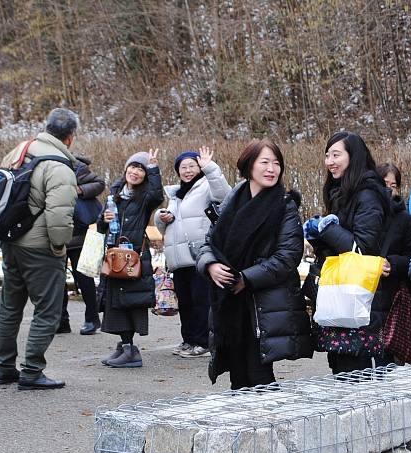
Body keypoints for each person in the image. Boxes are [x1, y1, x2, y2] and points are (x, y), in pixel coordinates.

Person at [197, 139, 313, 389]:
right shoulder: (233, 199)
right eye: (265, 162)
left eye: (276, 163)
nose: (272, 169)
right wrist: (210, 266)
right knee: (238, 377)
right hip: (228, 303)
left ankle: (274, 428)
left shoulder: (284, 205)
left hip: (263, 305)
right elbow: (209, 243)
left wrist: (246, 278)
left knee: (259, 377)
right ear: (249, 166)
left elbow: (288, 257)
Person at [0, 108, 79, 390]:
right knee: (48, 309)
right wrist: (59, 246)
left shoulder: (20, 150)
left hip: (11, 239)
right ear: (70, 137)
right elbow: (59, 216)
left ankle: (5, 367)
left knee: (10, 306)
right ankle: (32, 370)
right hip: (40, 246)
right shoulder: (60, 167)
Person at [303, 131, 390, 373]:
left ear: (354, 157)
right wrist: (318, 236)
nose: (330, 161)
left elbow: (361, 249)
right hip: (341, 295)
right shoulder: (341, 191)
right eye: (327, 155)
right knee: (341, 370)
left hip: (358, 298)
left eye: (336, 155)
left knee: (356, 375)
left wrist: (327, 228)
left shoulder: (368, 193)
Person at [155, 147, 230, 358]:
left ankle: (205, 341)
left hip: (201, 255)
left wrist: (210, 168)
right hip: (179, 259)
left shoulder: (206, 186)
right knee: (186, 302)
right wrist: (161, 219)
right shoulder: (175, 194)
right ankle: (189, 339)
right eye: (183, 167)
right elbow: (166, 228)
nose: (187, 170)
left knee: (201, 301)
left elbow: (224, 195)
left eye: (192, 166)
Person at [99, 150, 164, 368]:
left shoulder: (145, 197)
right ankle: (124, 345)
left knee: (130, 301)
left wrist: (154, 169)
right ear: (126, 168)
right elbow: (102, 226)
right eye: (133, 167)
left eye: (141, 170)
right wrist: (103, 218)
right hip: (113, 257)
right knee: (115, 302)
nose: (135, 172)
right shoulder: (115, 192)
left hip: (133, 258)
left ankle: (130, 350)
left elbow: (157, 195)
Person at [375, 163, 411, 366]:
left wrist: (393, 264)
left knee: (389, 365)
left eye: (394, 185)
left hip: (393, 299)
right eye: (384, 184)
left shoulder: (405, 220)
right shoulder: (364, 214)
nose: (389, 189)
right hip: (363, 297)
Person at [57, 155, 106, 336]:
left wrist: (78, 190)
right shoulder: (45, 164)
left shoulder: (76, 166)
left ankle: (92, 318)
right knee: (56, 280)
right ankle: (61, 320)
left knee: (84, 277)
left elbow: (99, 183)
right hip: (55, 234)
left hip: (79, 234)